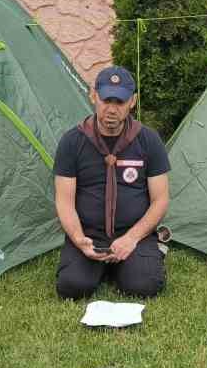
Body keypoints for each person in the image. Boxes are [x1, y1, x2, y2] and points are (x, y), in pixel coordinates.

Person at [53, 66, 170, 300]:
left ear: (133, 101)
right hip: (89, 235)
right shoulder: (71, 142)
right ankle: (103, 266)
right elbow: (64, 201)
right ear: (93, 96)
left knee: (144, 286)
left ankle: (135, 261)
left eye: (120, 101)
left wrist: (132, 238)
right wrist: (78, 239)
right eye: (106, 99)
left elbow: (161, 199)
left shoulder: (148, 140)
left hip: (134, 234)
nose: (112, 109)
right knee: (72, 287)